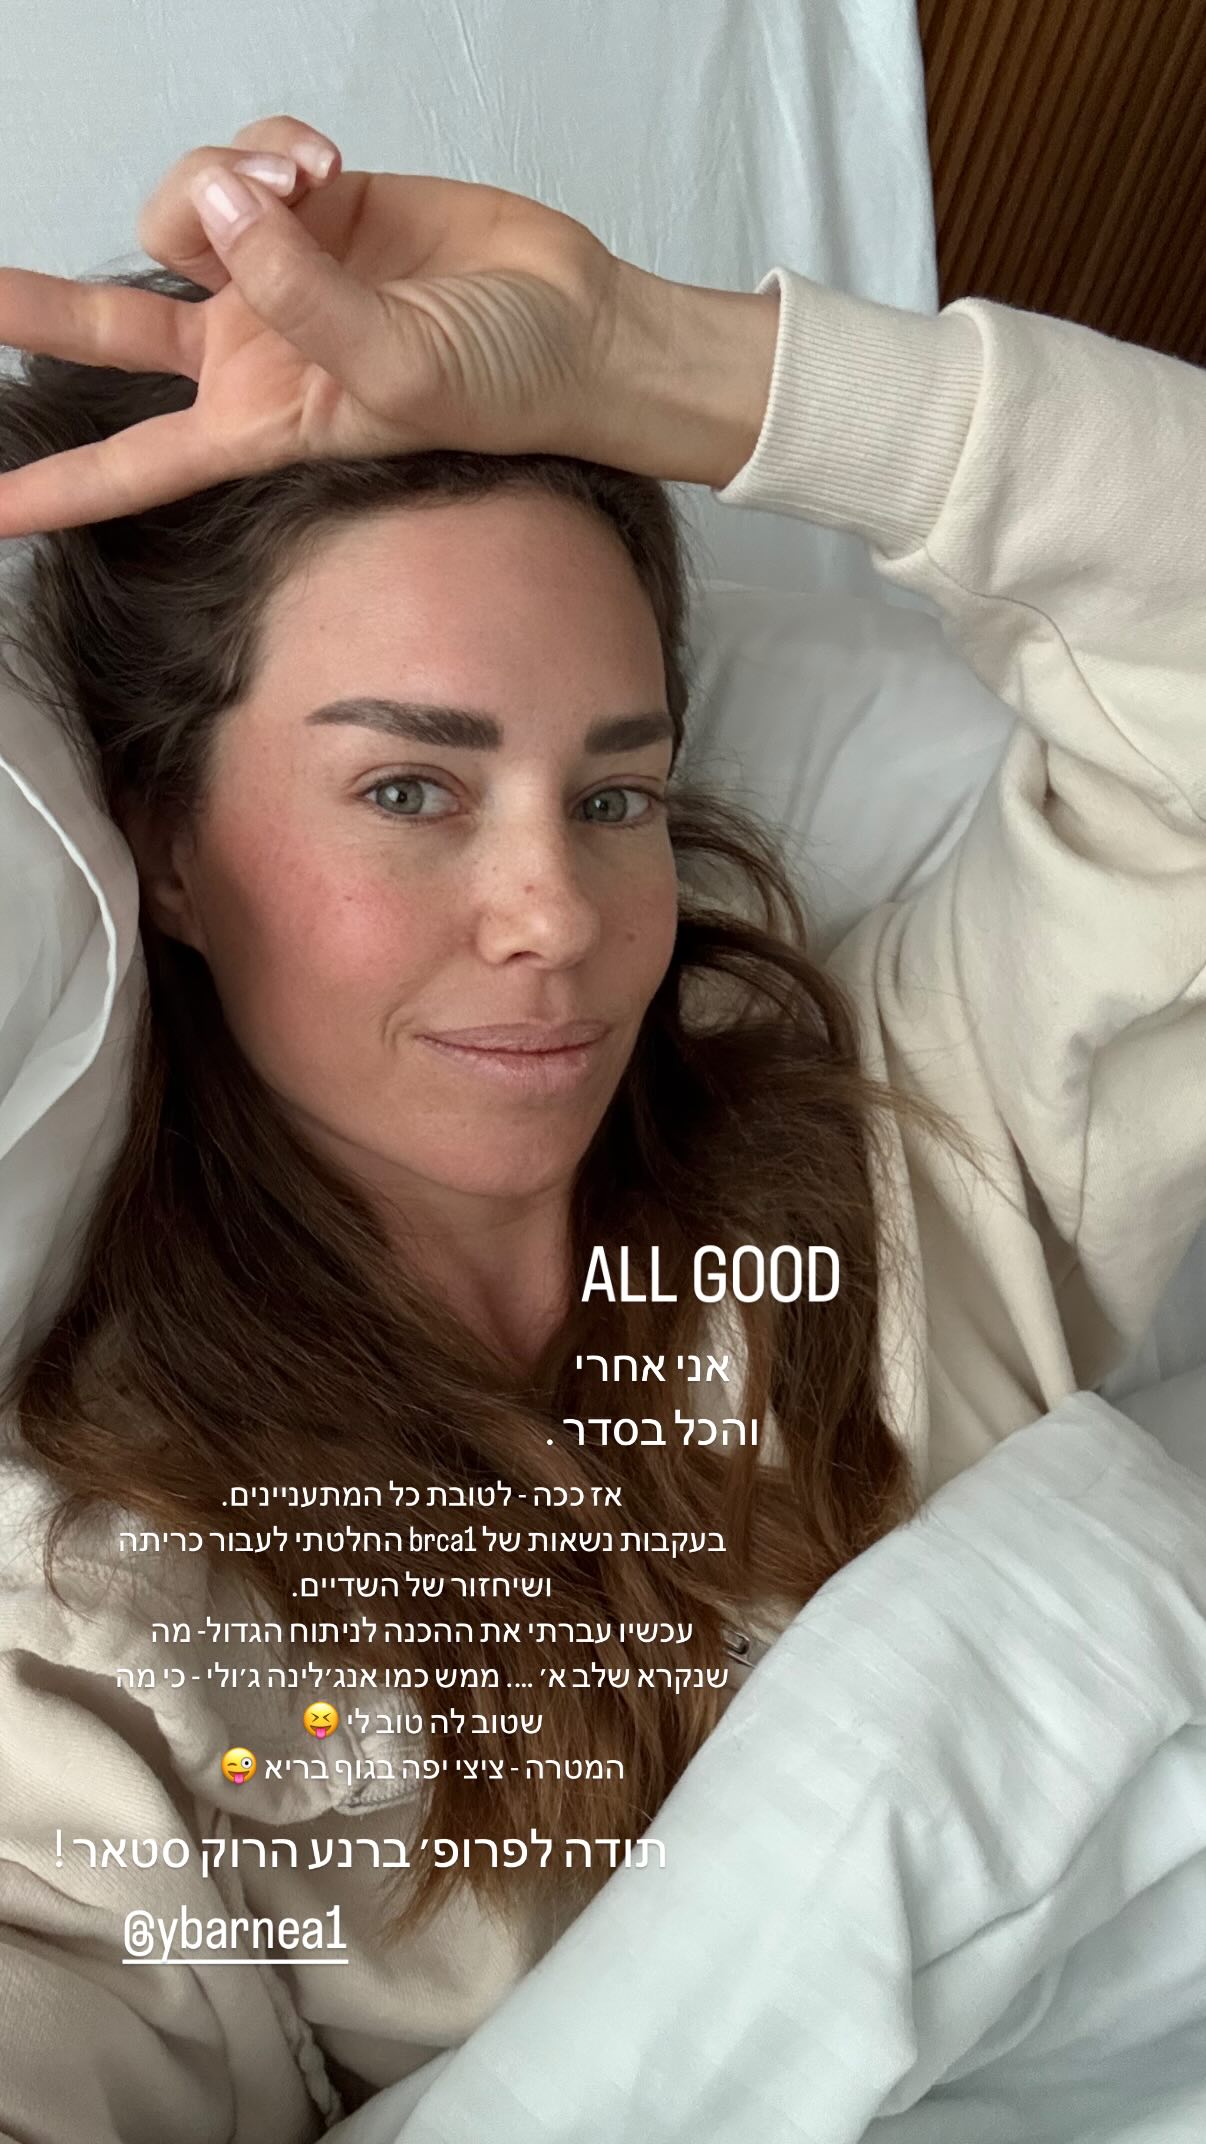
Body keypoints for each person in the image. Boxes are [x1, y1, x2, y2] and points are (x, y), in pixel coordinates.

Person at [0, 111, 1203, 2141]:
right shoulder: (106, 1605)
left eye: (615, 794)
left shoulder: (919, 1155)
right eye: (410, 789)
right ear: (168, 847)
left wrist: (655, 360)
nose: (556, 913)